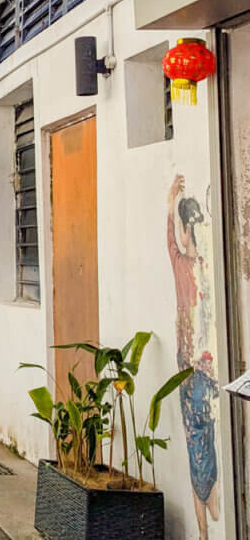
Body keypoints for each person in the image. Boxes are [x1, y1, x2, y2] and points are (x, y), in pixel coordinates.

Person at [167, 175, 220, 539]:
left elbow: (169, 241)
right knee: (205, 438)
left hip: (191, 368)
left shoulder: (187, 265)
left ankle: (205, 525)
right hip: (203, 367)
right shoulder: (202, 265)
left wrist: (169, 202)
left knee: (196, 441)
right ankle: (208, 521)